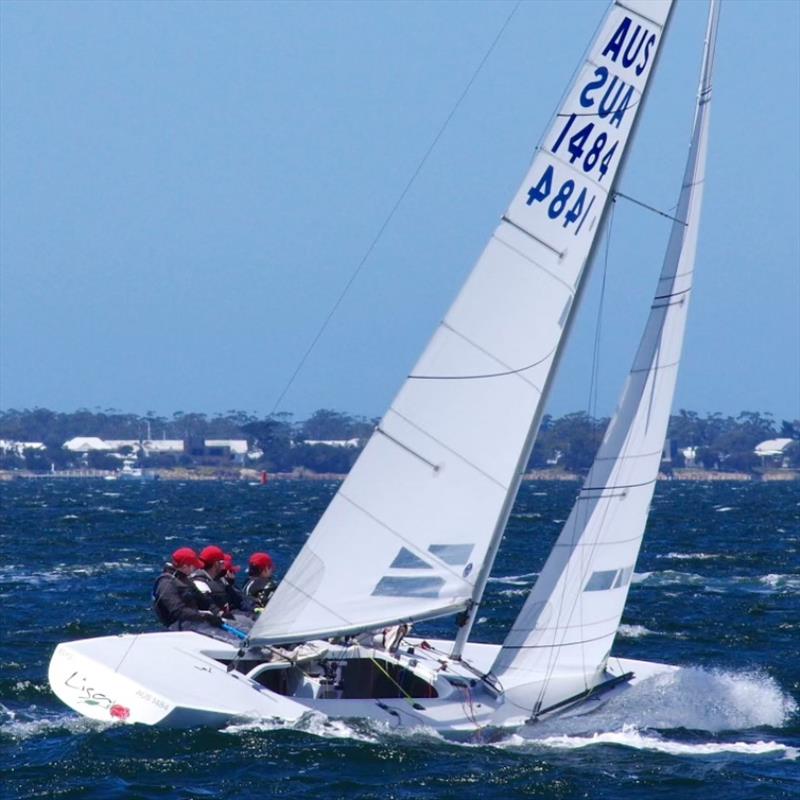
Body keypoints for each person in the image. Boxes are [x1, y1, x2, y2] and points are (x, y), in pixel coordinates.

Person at [152, 547, 236, 642]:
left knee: (236, 626)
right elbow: (178, 611)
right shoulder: (166, 583)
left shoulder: (185, 580)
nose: (196, 569)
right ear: (184, 566)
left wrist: (219, 613)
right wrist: (204, 617)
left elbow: (203, 600)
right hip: (180, 627)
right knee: (227, 639)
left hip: (195, 622)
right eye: (193, 566)